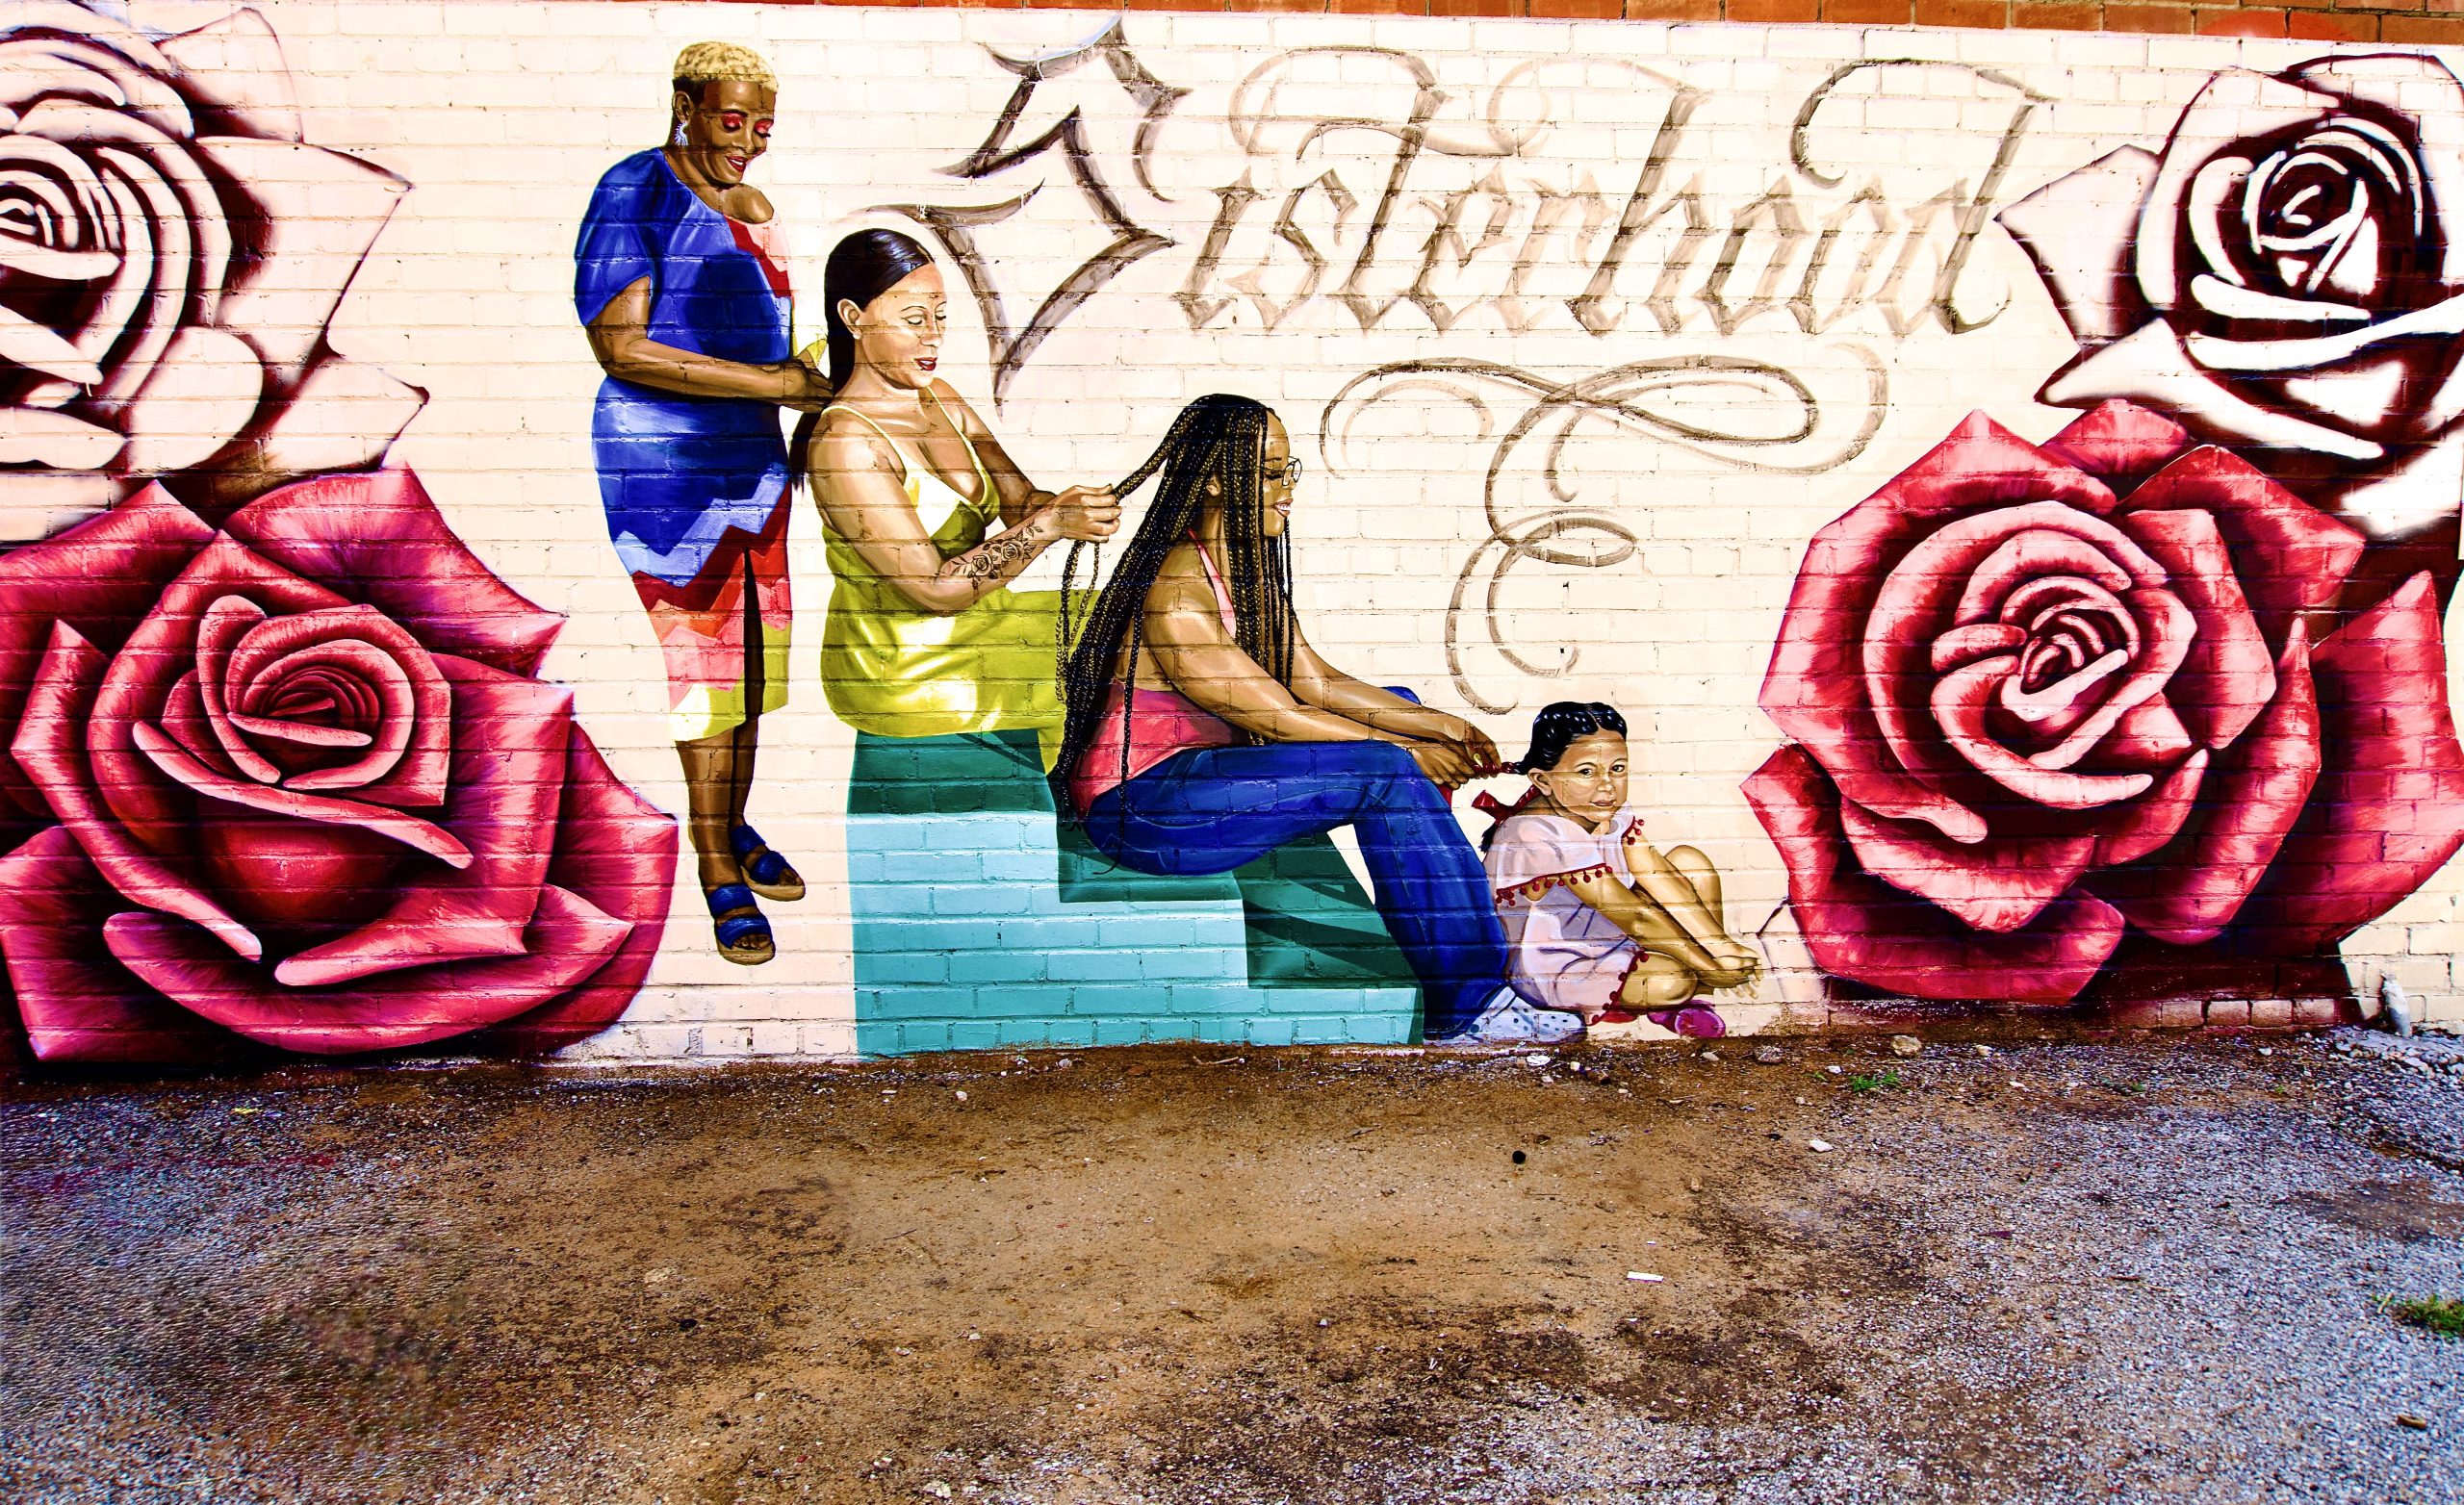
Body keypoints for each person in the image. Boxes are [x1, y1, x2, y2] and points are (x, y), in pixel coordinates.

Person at [1050, 393, 1571, 1045]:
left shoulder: (1246, 572)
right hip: (1142, 810)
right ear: (1215, 479)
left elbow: (1316, 682)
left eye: (1287, 470)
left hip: (1195, 777)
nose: (1287, 488)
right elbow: (1281, 713)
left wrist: (1439, 726)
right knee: (1386, 769)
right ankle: (1468, 1004)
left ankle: (1427, 888)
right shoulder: (1176, 590)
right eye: (1270, 474)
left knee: (1402, 711)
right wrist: (1406, 752)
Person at [576, 41, 831, 965]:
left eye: (763, 127)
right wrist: (771, 381)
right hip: (664, 465)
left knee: (757, 661)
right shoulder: (634, 190)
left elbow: (770, 340)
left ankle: (734, 818)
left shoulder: (755, 207)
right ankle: (715, 858)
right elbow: (625, 350)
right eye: (732, 121)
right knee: (707, 665)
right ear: (684, 104)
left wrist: (798, 390)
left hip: (753, 456)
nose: (750, 143)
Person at [795, 230, 1118, 746]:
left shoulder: (940, 399)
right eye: (914, 320)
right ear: (853, 317)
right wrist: (1051, 524)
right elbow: (936, 590)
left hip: (983, 625)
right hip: (904, 669)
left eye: (940, 317)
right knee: (1129, 647)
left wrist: (1074, 507)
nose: (934, 337)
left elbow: (1021, 504)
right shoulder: (846, 443)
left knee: (1143, 612)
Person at [1476, 702, 1759, 1038]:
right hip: (1557, 963)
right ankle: (1669, 997)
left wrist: (1721, 947)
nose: (1607, 785)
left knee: (1689, 863)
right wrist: (1709, 965)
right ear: (1543, 779)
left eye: (1618, 768)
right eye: (1586, 772)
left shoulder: (1607, 812)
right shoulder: (1537, 831)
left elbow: (1659, 875)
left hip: (1609, 937)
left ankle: (1690, 996)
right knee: (1674, 979)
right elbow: (1633, 915)